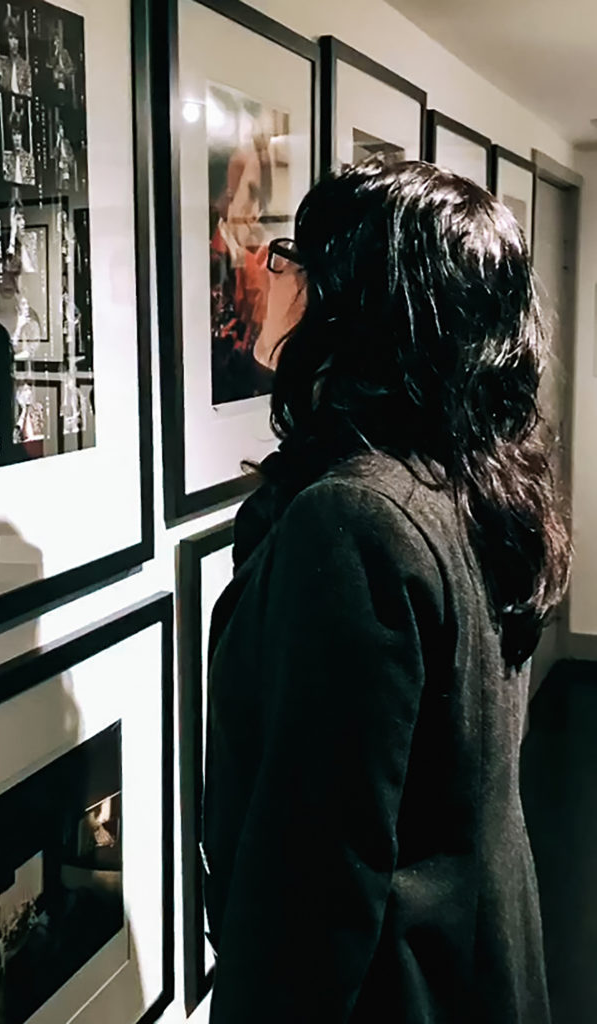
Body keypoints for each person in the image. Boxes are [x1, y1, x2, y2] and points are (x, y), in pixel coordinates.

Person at [202, 159, 571, 1024]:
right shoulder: (468, 480)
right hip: (468, 962)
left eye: (291, 254)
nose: (269, 269)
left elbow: (318, 875)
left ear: (354, 299)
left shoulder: (356, 518)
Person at [209, 130, 274, 404]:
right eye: (251, 192)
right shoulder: (207, 259)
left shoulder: (257, 264)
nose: (257, 210)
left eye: (262, 197)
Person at [0, 15, 32, 96]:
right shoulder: (1, 64)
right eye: (10, 38)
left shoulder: (25, 66)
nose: (14, 42)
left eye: (16, 38)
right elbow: (0, 87)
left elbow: (29, 92)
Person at [3, 110, 35, 186]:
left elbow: (31, 181)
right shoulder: (6, 159)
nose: (17, 138)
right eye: (14, 134)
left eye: (19, 134)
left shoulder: (29, 159)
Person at [47, 26, 74, 94]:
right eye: (54, 41)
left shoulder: (65, 53)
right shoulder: (50, 54)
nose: (55, 44)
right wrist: (55, 55)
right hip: (55, 81)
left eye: (57, 41)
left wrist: (64, 71)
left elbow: (71, 67)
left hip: (64, 78)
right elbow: (49, 65)